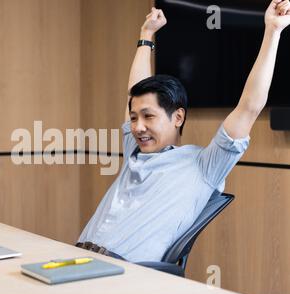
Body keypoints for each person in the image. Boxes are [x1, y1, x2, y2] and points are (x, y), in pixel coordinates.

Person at [77, 0, 290, 263]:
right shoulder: (135, 149)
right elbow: (135, 90)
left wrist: (273, 31)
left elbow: (249, 107)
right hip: (78, 258)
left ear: (178, 117)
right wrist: (146, 35)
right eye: (133, 118)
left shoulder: (203, 166)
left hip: (121, 274)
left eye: (148, 117)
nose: (137, 127)